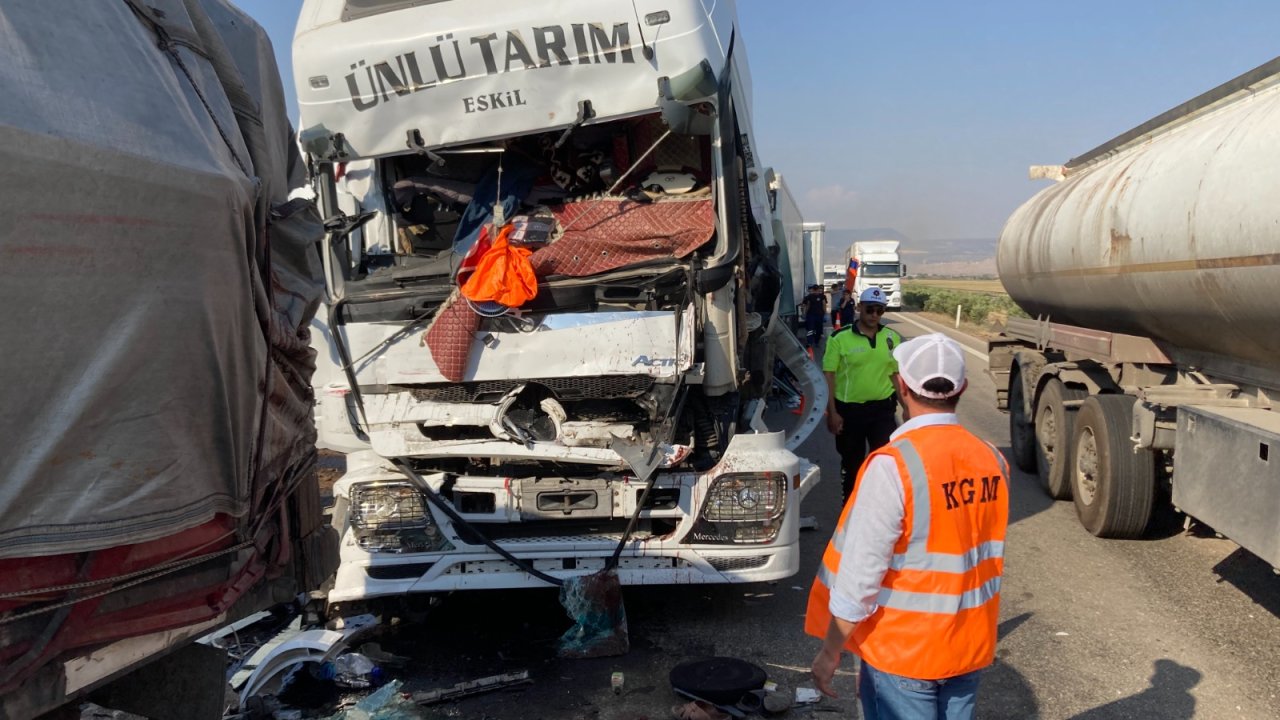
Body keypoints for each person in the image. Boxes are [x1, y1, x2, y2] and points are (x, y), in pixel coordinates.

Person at [806, 333, 1010, 720]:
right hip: (968, 647)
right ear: (962, 387)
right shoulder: (992, 459)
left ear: (901, 386)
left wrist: (830, 650)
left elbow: (861, 576)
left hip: (904, 653)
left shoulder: (894, 466)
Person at [823, 287, 902, 503]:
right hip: (850, 412)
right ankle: (850, 510)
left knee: (885, 462)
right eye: (870, 309)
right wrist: (832, 412)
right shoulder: (840, 338)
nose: (874, 315)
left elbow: (895, 375)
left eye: (879, 310)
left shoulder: (892, 338)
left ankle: (880, 508)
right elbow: (829, 376)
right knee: (853, 464)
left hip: (882, 411)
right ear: (859, 308)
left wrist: (909, 409)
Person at [801, 284, 829, 350]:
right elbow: (824, 305)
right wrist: (824, 313)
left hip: (812, 315)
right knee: (817, 329)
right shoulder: (821, 296)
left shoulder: (809, 296)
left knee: (811, 329)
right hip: (817, 315)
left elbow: (807, 305)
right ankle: (815, 342)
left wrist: (805, 313)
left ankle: (810, 342)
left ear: (813, 289)